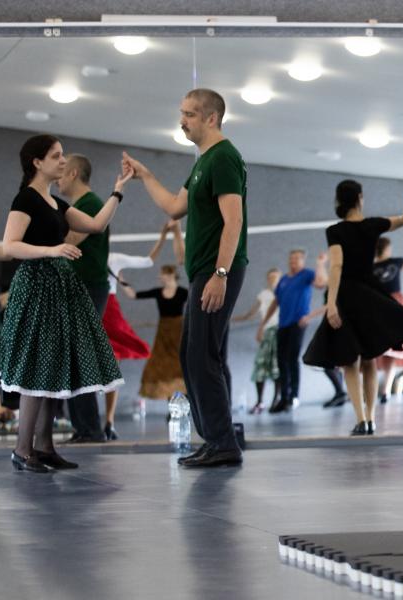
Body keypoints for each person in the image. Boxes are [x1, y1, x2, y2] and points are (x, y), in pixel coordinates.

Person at [122, 88, 248, 468]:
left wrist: (220, 274)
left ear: (211, 118)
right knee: (192, 355)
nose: (182, 121)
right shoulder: (203, 162)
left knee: (202, 356)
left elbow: (234, 221)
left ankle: (223, 443)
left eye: (190, 114)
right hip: (203, 273)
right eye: (182, 113)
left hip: (216, 271)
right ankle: (215, 439)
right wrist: (145, 175)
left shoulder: (223, 157)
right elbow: (174, 207)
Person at [1, 134, 127, 472]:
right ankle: (22, 450)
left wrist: (118, 191)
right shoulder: (25, 199)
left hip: (57, 289)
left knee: (51, 365)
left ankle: (44, 447)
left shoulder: (55, 203)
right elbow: (11, 245)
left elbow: (97, 224)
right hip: (36, 287)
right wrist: (52, 249)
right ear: (37, 162)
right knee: (36, 366)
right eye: (56, 155)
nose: (62, 160)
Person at [302, 180, 403, 435]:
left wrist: (331, 303)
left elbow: (336, 266)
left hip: (347, 296)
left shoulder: (335, 230)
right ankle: (370, 418)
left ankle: (362, 419)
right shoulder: (373, 224)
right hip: (370, 295)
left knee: (350, 360)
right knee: (369, 357)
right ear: (360, 198)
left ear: (339, 201)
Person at [101, 221, 178, 437]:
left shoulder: (112, 259)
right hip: (89, 310)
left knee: (112, 368)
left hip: (108, 312)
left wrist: (163, 234)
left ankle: (109, 421)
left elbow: (148, 261)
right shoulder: (78, 256)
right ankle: (98, 421)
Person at [56, 153, 114, 443]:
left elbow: (68, 241)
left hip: (88, 287)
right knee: (73, 357)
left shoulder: (89, 204)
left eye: (62, 170)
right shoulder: (79, 206)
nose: (58, 177)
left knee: (80, 357)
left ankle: (90, 429)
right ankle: (83, 428)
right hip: (80, 287)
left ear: (74, 173)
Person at [260, 249, 328, 414]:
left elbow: (321, 284)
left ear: (303, 261)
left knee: (292, 358)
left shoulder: (306, 275)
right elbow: (275, 302)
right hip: (282, 325)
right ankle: (284, 397)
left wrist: (320, 264)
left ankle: (294, 396)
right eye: (292, 258)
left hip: (298, 323)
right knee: (281, 361)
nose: (294, 261)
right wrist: (262, 325)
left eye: (297, 258)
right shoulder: (283, 280)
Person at [123, 263, 188, 401]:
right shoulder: (158, 292)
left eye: (162, 273)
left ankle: (185, 399)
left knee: (179, 362)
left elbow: (198, 302)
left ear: (171, 275)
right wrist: (120, 279)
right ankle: (171, 403)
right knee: (162, 365)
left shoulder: (183, 292)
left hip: (178, 331)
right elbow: (134, 295)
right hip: (163, 333)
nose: (159, 276)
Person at [371, 236, 403, 403]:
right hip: (381, 305)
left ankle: (385, 390)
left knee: (395, 348)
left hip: (392, 304)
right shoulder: (372, 266)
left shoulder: (395, 261)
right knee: (386, 350)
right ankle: (383, 390)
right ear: (385, 248)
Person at [234, 267, 281, 414]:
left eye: (276, 277)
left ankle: (277, 399)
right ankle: (260, 401)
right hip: (267, 332)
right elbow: (251, 314)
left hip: (280, 331)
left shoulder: (284, 292)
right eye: (271, 277)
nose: (273, 280)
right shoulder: (264, 295)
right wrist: (231, 319)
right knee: (261, 365)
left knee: (277, 367)